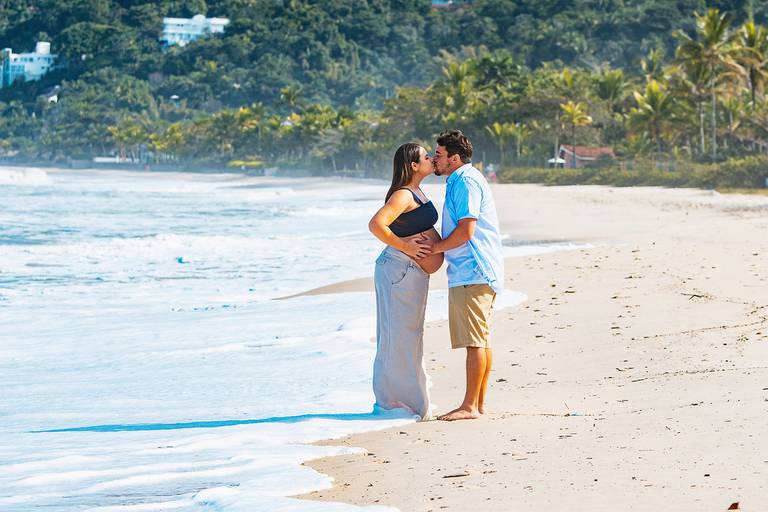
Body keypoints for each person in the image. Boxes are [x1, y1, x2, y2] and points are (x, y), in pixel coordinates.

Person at [428, 130, 504, 421]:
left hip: (474, 270)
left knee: (475, 341)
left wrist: (436, 247)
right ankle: (478, 403)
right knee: (480, 339)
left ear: (454, 158)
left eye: (439, 155)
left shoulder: (465, 181)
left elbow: (465, 230)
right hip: (474, 269)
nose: (435, 159)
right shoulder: (460, 180)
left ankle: (470, 406)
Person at [368, 143, 444, 419]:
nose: (432, 159)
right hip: (398, 269)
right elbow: (376, 224)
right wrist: (407, 247)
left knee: (409, 337)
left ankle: (414, 403)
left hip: (409, 272)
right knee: (395, 338)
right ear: (413, 165)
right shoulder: (403, 195)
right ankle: (391, 405)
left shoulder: (418, 192)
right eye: (426, 157)